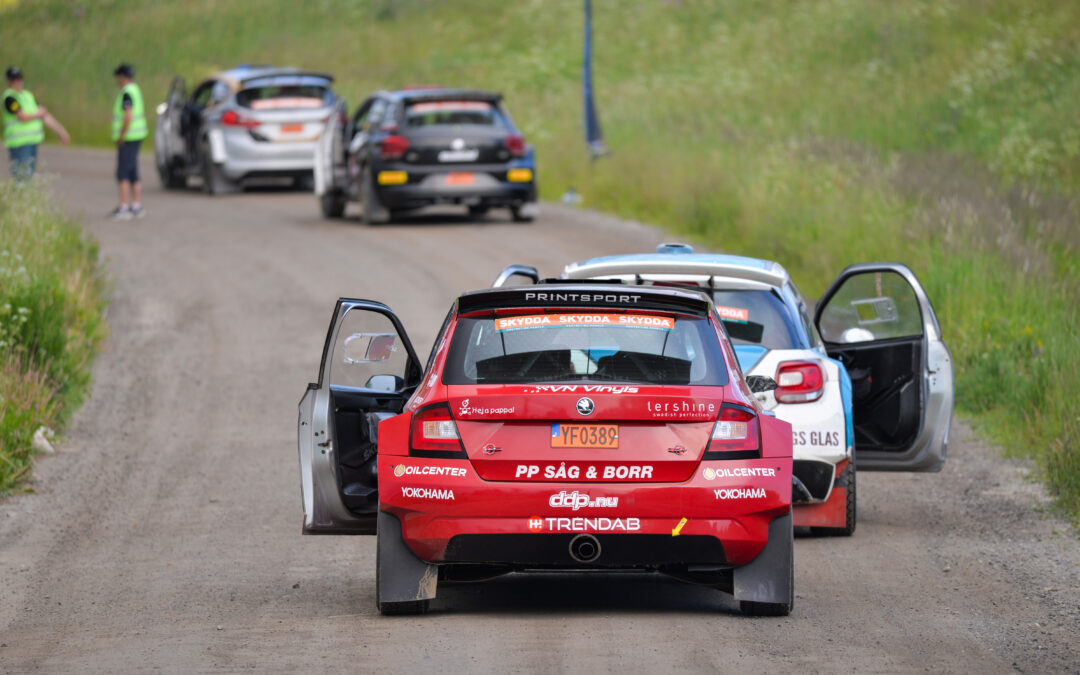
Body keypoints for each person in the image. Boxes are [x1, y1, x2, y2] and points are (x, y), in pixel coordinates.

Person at [3, 66, 70, 180]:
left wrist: (61, 131)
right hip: (19, 144)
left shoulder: (28, 96)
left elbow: (44, 115)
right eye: (14, 79)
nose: (17, 81)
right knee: (22, 177)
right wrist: (38, 114)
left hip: (32, 142)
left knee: (29, 176)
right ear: (9, 81)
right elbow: (22, 116)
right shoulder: (9, 98)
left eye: (19, 78)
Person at [108, 63, 148, 219]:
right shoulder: (135, 89)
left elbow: (128, 115)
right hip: (137, 136)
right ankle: (136, 205)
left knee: (123, 172)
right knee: (133, 171)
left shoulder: (126, 93)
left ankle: (124, 206)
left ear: (122, 76)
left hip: (129, 137)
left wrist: (121, 136)